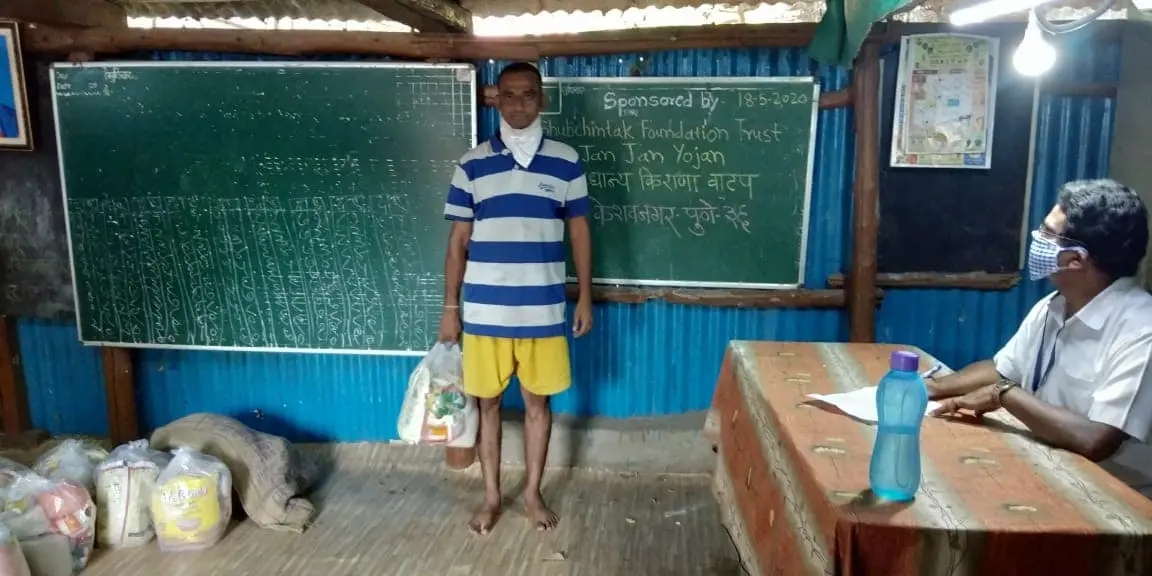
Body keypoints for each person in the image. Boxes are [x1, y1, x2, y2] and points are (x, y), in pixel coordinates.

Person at [438, 62, 594, 534]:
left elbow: (580, 231)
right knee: (486, 405)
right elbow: (458, 242)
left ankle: (531, 493)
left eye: (528, 94)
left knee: (537, 406)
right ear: (496, 100)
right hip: (485, 312)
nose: (519, 103)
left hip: (542, 311)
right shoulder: (471, 164)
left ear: (542, 99)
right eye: (509, 95)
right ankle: (491, 497)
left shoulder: (566, 161)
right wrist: (451, 309)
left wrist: (584, 297)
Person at [931, 179, 1152, 497]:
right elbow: (1003, 369)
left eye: (1048, 233)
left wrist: (1002, 394)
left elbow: (1096, 439)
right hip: (1044, 462)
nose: (1037, 238)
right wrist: (932, 388)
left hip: (1109, 489)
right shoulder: (1056, 304)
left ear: (1076, 259)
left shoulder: (1141, 330)